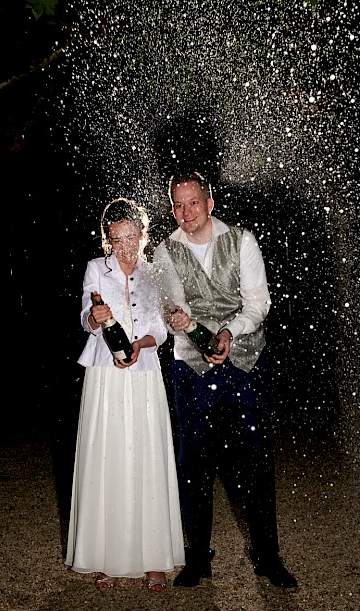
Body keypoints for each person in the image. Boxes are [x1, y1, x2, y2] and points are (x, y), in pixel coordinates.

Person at [153, 171, 298, 588]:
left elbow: (258, 303)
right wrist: (180, 320)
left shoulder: (242, 241)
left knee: (255, 462)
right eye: (178, 205)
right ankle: (198, 558)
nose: (185, 212)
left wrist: (229, 334)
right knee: (193, 464)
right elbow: (173, 307)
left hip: (244, 366)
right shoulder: (165, 252)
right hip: (191, 370)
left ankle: (268, 557)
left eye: (193, 202)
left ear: (209, 203)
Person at [66, 197, 186, 592]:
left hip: (145, 371)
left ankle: (153, 560)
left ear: (143, 234)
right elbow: (87, 314)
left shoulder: (156, 273)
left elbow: (162, 328)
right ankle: (110, 557)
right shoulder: (95, 271)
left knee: (147, 459)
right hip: (106, 376)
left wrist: (140, 344)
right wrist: (94, 318)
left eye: (130, 237)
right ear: (107, 241)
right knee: (110, 459)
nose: (124, 246)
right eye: (116, 239)